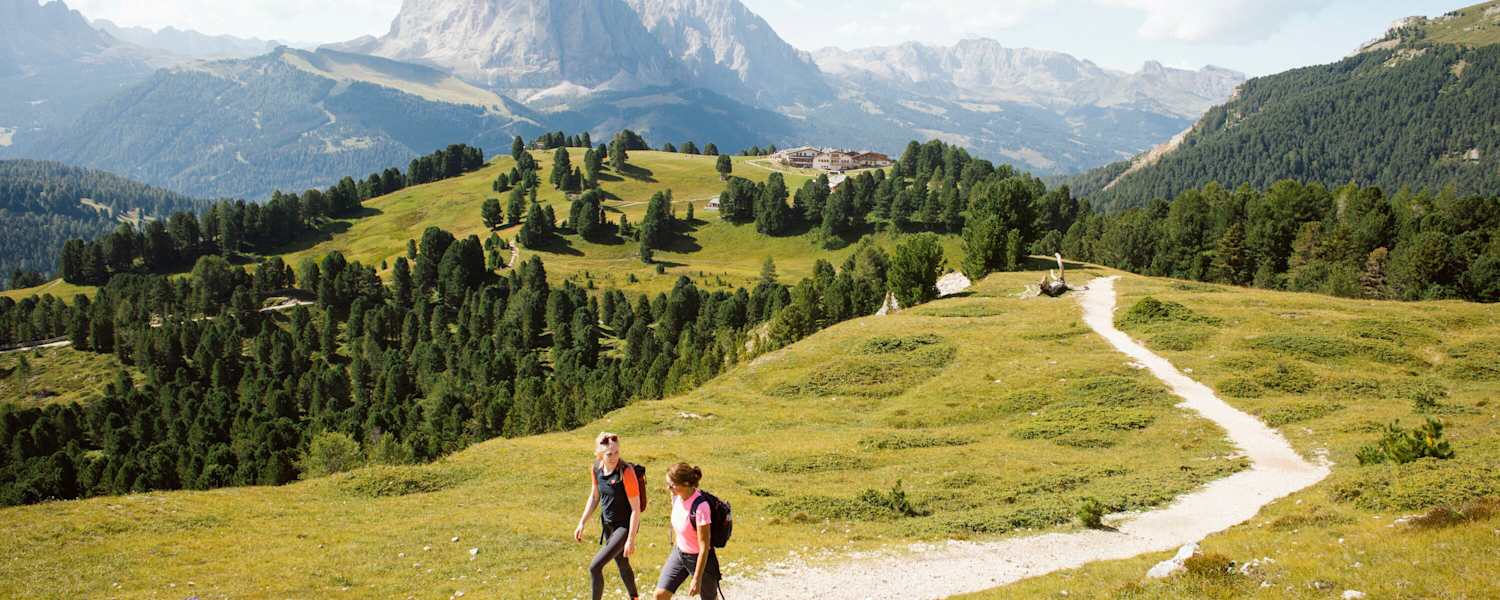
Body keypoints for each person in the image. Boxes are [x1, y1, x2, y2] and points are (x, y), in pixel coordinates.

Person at [574, 432, 642, 600]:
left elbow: (636, 508)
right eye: (609, 454)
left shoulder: (626, 472)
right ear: (599, 454)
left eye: (617, 452)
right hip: (608, 525)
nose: (614, 457)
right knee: (622, 564)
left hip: (625, 526)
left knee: (595, 567)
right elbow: (594, 497)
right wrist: (582, 522)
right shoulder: (596, 468)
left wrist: (631, 539)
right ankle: (635, 597)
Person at [655, 463, 718, 600]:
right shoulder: (676, 497)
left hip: (700, 560)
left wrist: (696, 579)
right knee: (660, 595)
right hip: (679, 554)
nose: (668, 487)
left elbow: (704, 547)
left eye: (672, 484)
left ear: (685, 484)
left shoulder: (701, 507)